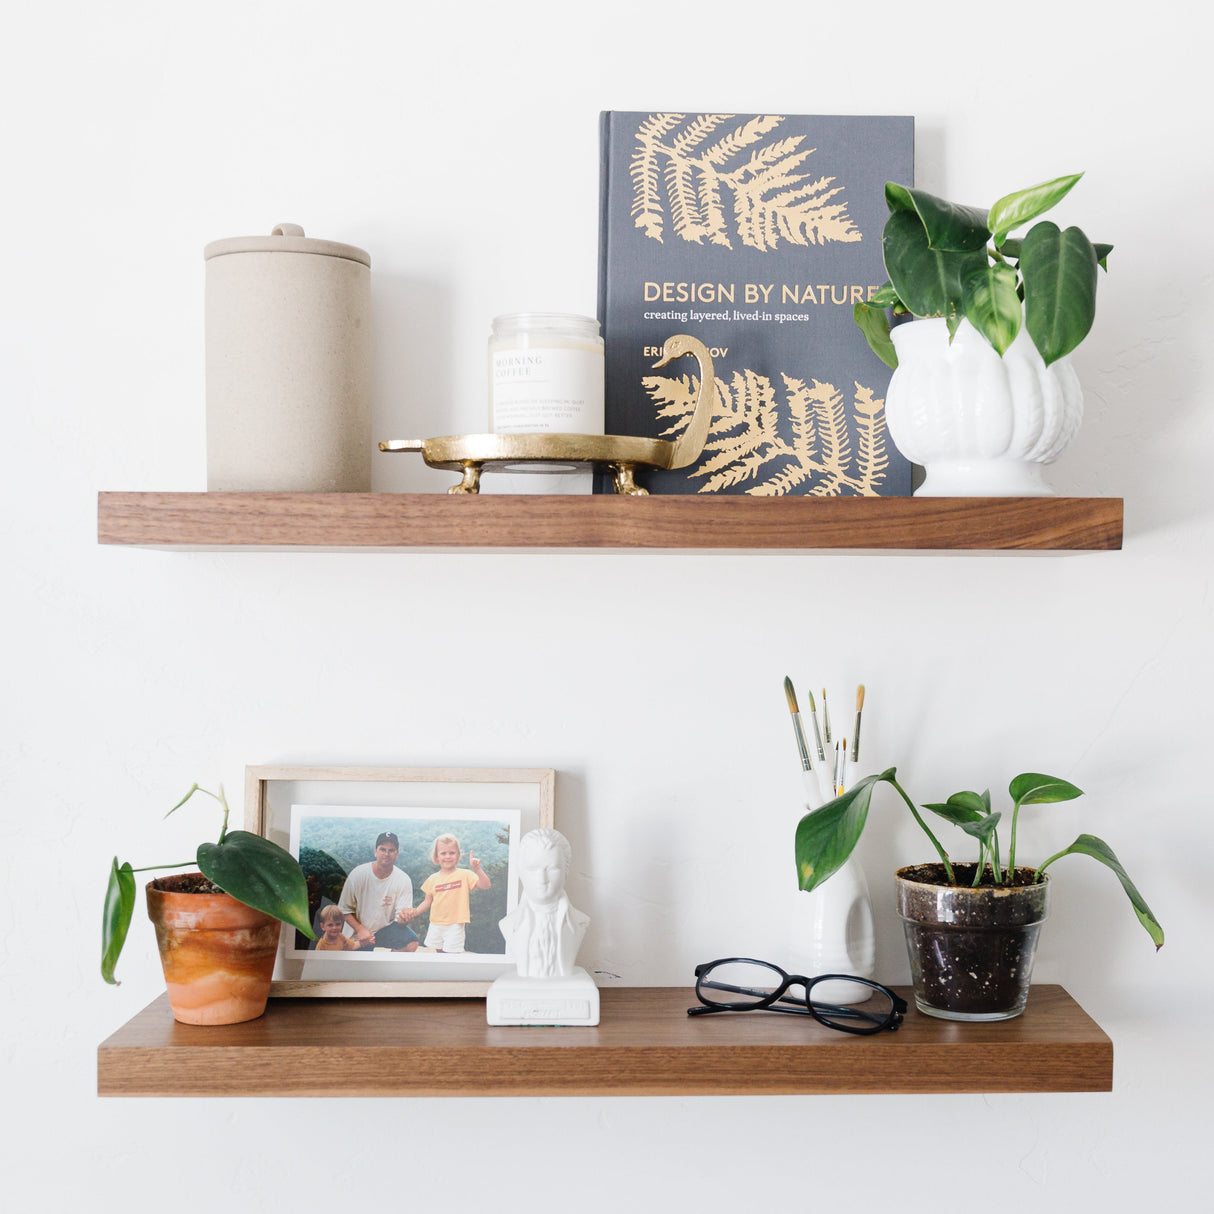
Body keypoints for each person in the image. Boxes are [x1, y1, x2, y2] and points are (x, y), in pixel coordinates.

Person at [497, 828, 588, 978]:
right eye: (533, 869)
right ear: (520, 872)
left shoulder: (580, 922)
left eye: (552, 869)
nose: (542, 879)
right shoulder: (508, 924)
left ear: (566, 871)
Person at [400, 834, 490, 953]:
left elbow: (486, 885)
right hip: (436, 923)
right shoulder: (432, 879)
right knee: (439, 952)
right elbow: (427, 902)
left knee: (452, 955)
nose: (448, 856)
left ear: (458, 855)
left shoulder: (465, 874)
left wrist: (477, 869)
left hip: (455, 924)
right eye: (443, 853)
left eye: (452, 853)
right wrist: (414, 912)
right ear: (437, 856)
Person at [337, 831, 420, 951]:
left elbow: (400, 921)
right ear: (375, 851)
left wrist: (404, 918)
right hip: (357, 934)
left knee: (411, 942)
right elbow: (344, 908)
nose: (386, 854)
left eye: (391, 850)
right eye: (382, 849)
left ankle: (391, 968)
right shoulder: (359, 874)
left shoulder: (403, 879)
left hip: (384, 930)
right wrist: (360, 929)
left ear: (397, 854)